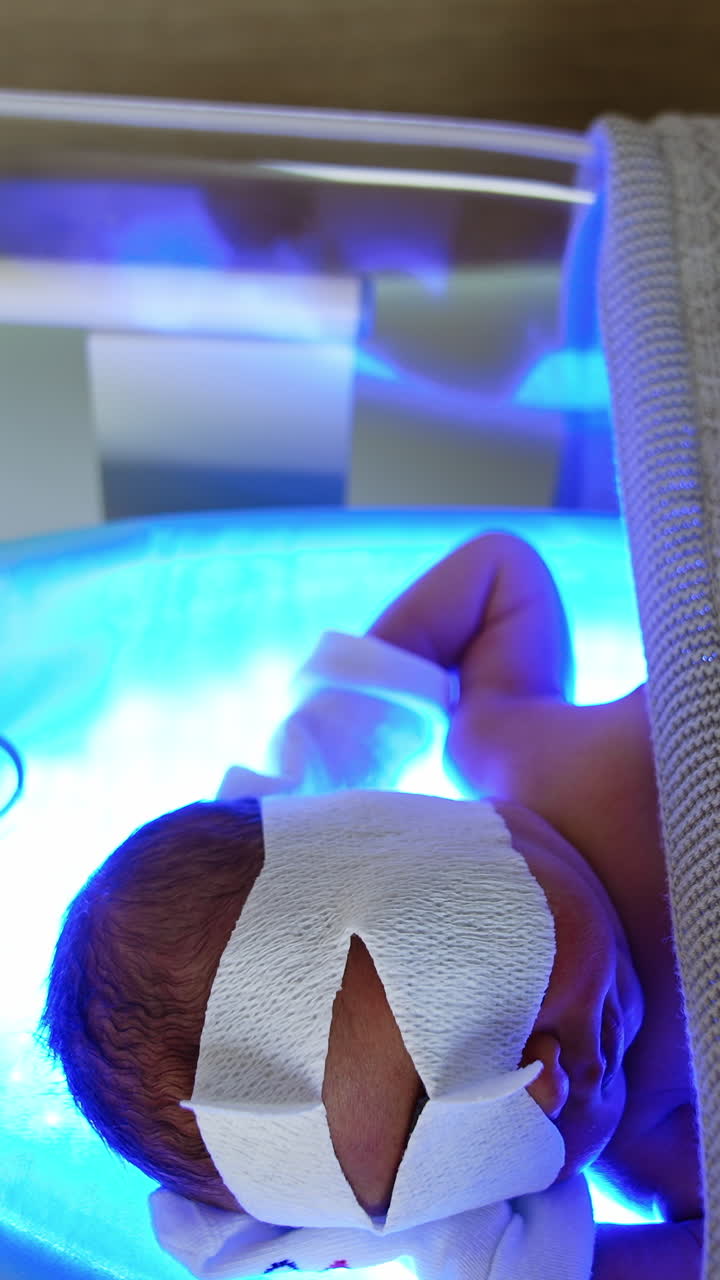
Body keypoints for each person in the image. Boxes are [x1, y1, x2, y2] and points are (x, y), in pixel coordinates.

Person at [35, 531, 703, 1264]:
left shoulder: (519, 746)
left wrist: (345, 726)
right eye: (458, 1146)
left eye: (470, 995)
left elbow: (494, 577)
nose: (543, 1080)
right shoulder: (644, 1140)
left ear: (394, 834)